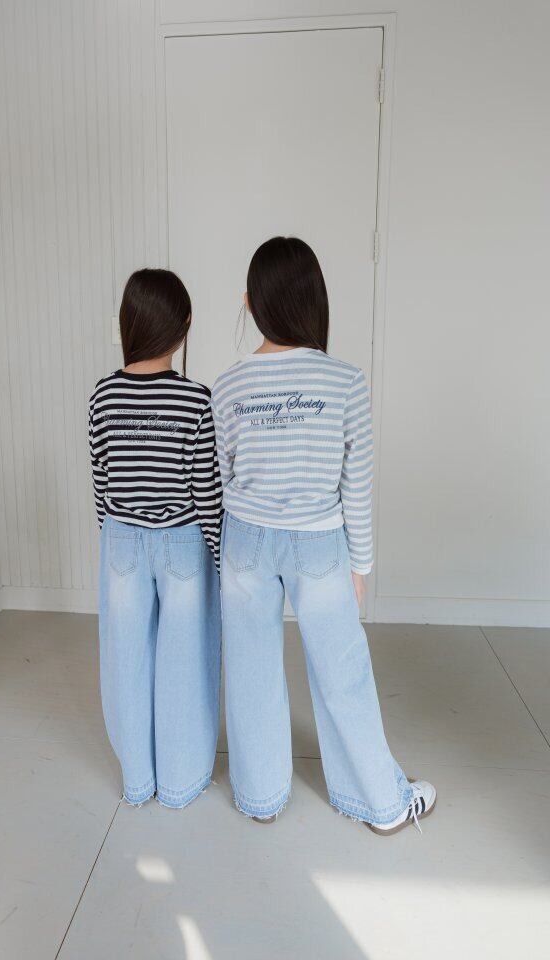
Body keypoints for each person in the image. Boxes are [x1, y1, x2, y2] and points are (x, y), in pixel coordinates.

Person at [211, 237, 436, 834]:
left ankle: (260, 797)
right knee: (343, 671)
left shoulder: (228, 385)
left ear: (250, 303)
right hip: (318, 541)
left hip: (245, 539)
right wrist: (360, 565)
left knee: (251, 666)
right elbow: (354, 483)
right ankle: (381, 804)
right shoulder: (345, 381)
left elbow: (223, 473)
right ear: (315, 300)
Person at [89, 268, 222, 809]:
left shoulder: (102, 397)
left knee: (127, 660)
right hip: (182, 541)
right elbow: (206, 491)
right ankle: (180, 782)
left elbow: (102, 483)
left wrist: (115, 539)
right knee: (183, 662)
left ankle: (138, 781)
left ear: (128, 322)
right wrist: (219, 555)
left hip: (122, 539)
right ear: (183, 326)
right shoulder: (196, 400)